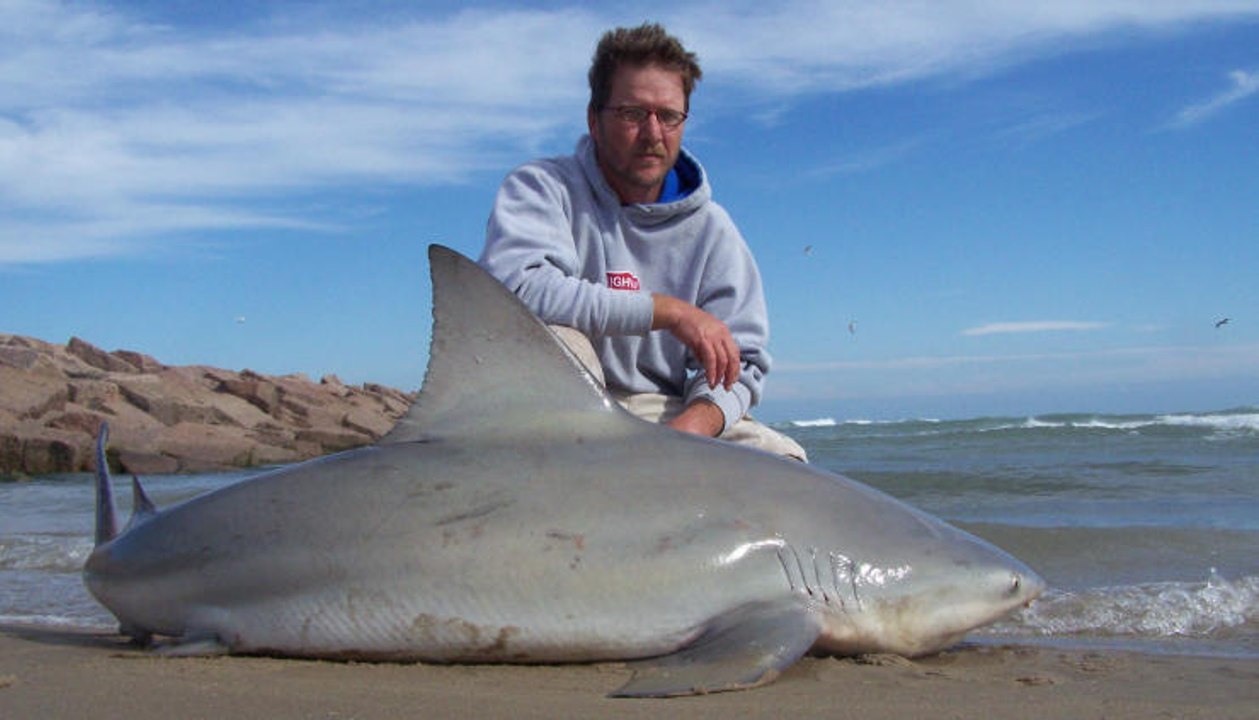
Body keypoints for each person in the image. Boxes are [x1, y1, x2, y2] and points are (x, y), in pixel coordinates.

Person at [480, 22, 805, 461]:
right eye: (633, 114)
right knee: (559, 337)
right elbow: (517, 293)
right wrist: (668, 312)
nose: (653, 133)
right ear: (594, 120)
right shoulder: (542, 189)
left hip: (662, 410)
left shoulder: (713, 230)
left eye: (668, 116)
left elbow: (741, 362)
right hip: (550, 414)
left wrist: (686, 432)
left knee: (788, 466)